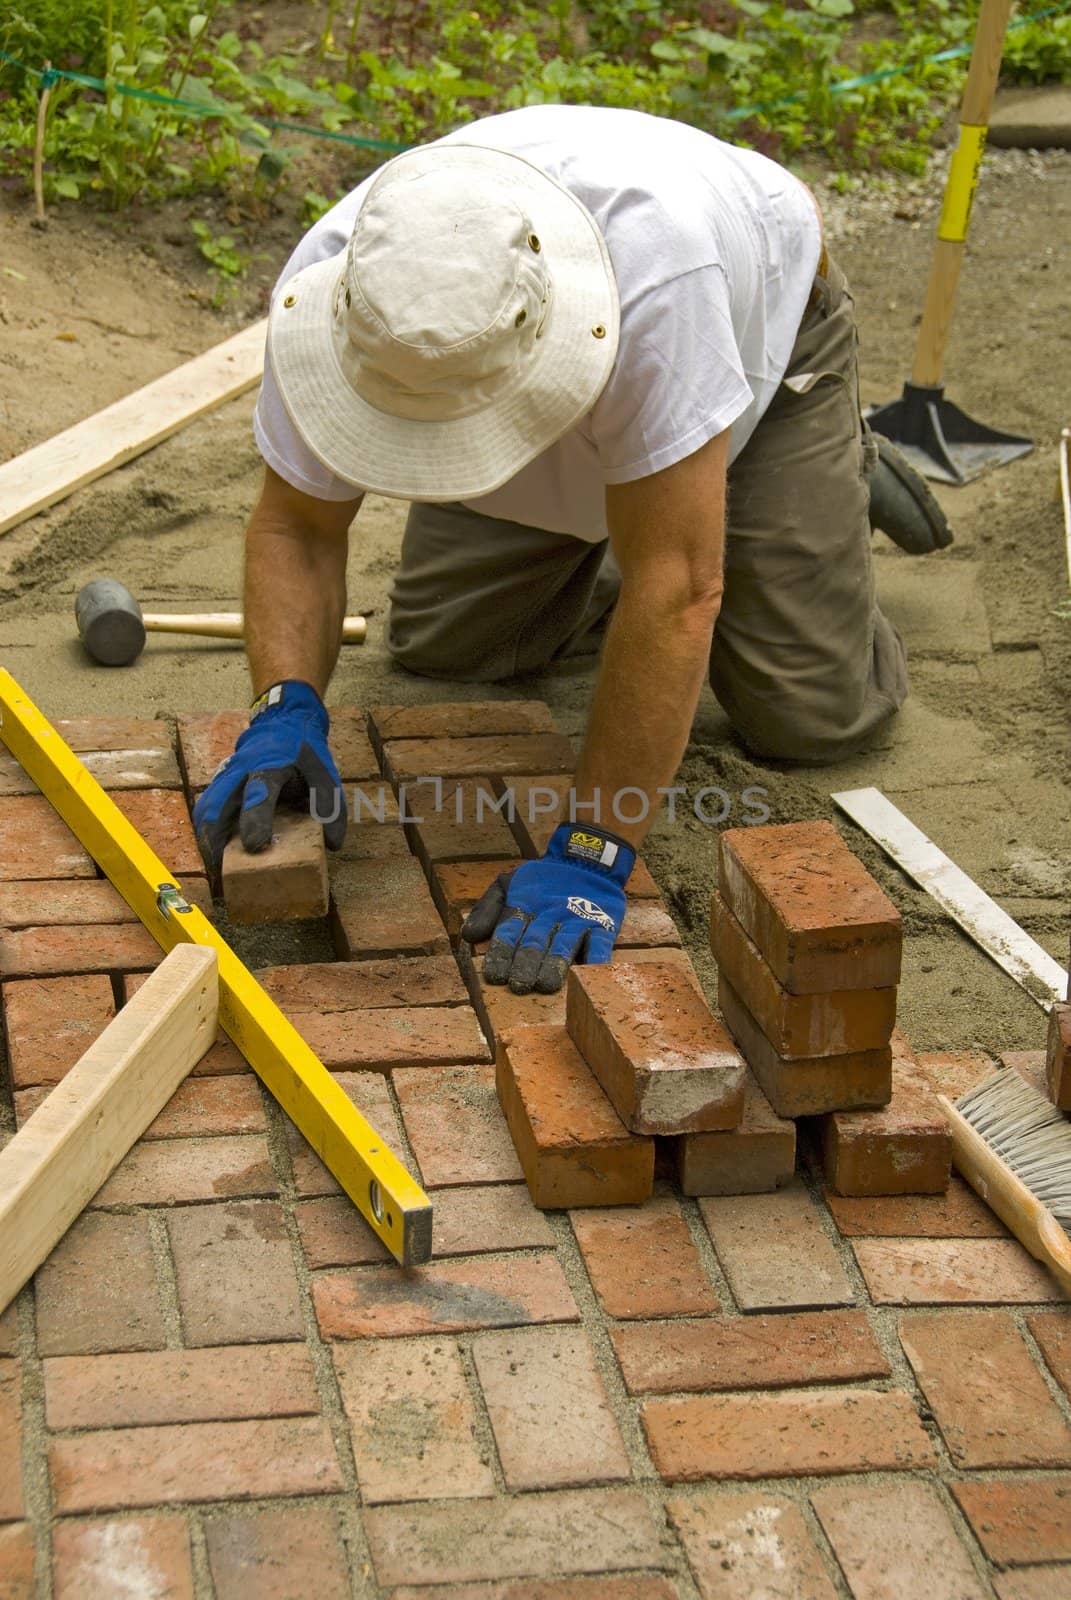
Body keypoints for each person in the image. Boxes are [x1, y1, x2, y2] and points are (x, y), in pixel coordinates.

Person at [193, 103, 949, 995]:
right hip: (585, 407)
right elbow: (298, 526)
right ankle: (654, 501)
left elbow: (677, 592)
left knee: (807, 714)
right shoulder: (345, 287)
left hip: (755, 357)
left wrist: (595, 846)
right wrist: (284, 701)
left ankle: (822, 471)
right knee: (450, 647)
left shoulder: (662, 290)